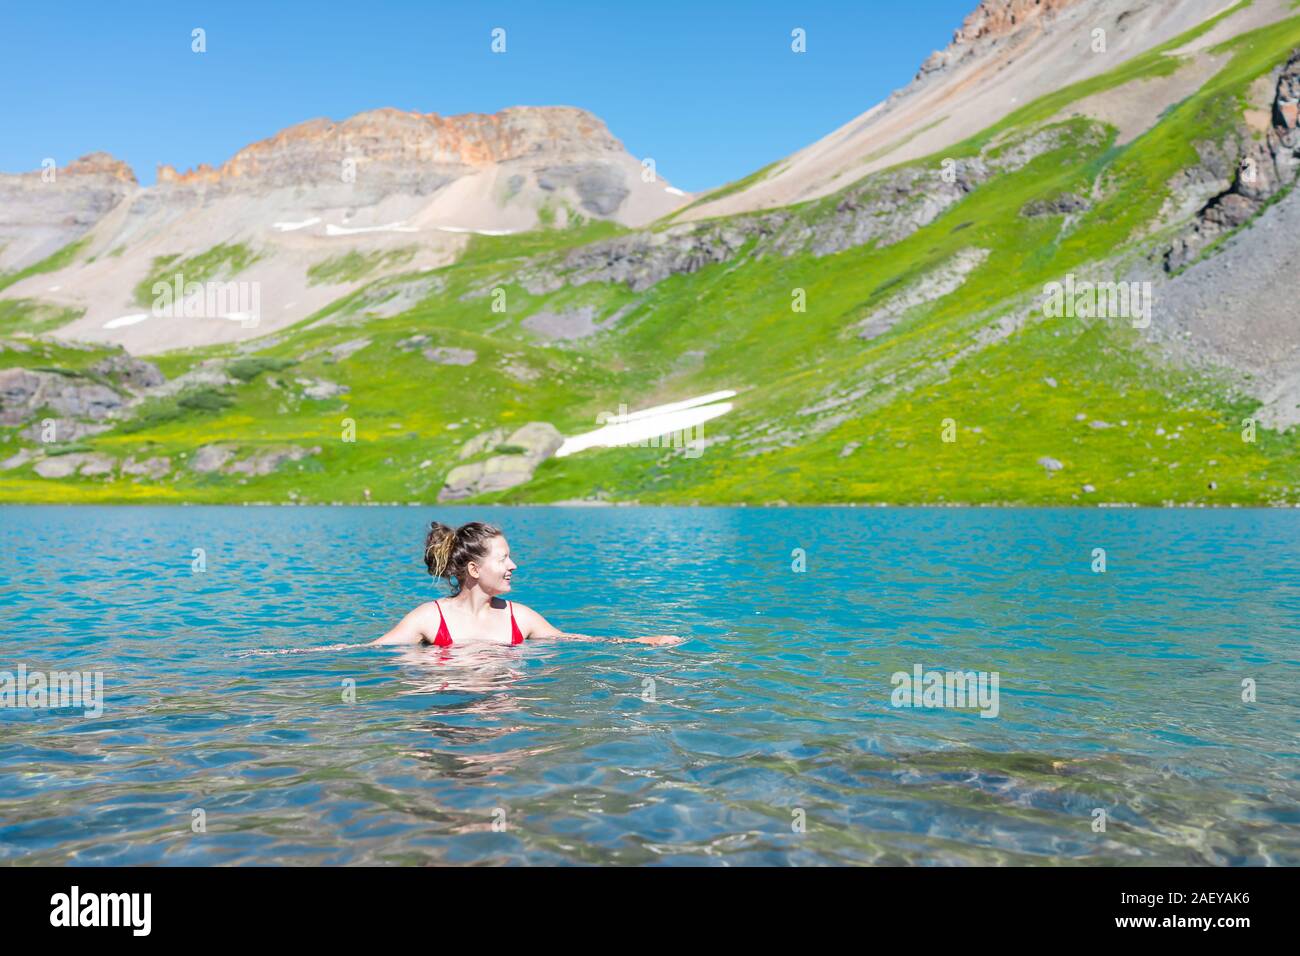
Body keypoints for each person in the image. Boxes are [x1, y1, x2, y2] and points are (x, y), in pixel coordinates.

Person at [370, 521, 682, 647]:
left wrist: (638, 642)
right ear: (474, 569)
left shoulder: (520, 617)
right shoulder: (429, 618)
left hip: (508, 723)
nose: (513, 566)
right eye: (503, 559)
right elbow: (368, 652)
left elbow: (575, 640)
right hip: (449, 715)